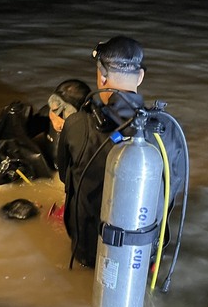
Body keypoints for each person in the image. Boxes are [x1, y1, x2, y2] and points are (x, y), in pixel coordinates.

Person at [57, 36, 185, 268]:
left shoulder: (77, 124)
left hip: (89, 252)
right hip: (143, 255)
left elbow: (64, 177)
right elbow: (173, 189)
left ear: (102, 76)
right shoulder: (168, 129)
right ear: (141, 76)